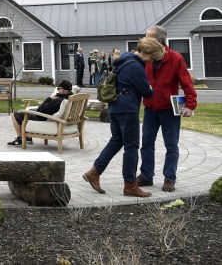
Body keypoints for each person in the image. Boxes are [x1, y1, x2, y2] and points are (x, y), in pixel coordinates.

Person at [83, 37, 165, 197]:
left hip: (115, 107)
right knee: (132, 147)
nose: (151, 61)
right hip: (128, 110)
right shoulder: (135, 66)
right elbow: (147, 92)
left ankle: (94, 172)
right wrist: (150, 86)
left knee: (116, 141)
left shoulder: (123, 60)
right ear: (146, 52)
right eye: (152, 57)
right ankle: (130, 185)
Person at [137, 25, 198, 193]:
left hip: (170, 109)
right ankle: (146, 175)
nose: (144, 39)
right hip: (150, 108)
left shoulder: (176, 58)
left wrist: (190, 105)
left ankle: (169, 178)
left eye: (148, 37)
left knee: (171, 145)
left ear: (159, 41)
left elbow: (186, 83)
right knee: (146, 143)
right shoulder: (145, 57)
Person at [7, 80, 74, 146]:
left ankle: (20, 138)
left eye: (58, 88)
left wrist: (50, 98)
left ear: (62, 90)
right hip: (53, 117)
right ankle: (27, 138)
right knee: (26, 112)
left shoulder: (59, 100)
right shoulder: (70, 98)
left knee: (16, 114)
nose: (58, 90)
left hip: (44, 118)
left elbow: (41, 109)